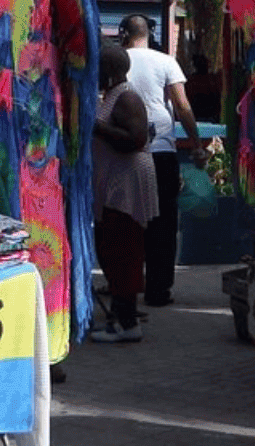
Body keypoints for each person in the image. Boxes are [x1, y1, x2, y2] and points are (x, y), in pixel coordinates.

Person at [119, 14, 200, 307]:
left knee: (128, 221)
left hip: (126, 150)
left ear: (123, 33)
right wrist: (196, 143)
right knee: (163, 223)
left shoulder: (118, 61)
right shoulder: (165, 61)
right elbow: (182, 104)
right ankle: (158, 289)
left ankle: (127, 285)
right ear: (150, 33)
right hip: (162, 152)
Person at [90, 41, 157, 342]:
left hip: (126, 185)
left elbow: (135, 138)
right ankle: (122, 317)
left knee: (123, 249)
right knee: (114, 248)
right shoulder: (113, 95)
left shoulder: (127, 97)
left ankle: (127, 323)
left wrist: (95, 127)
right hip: (116, 182)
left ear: (112, 69)